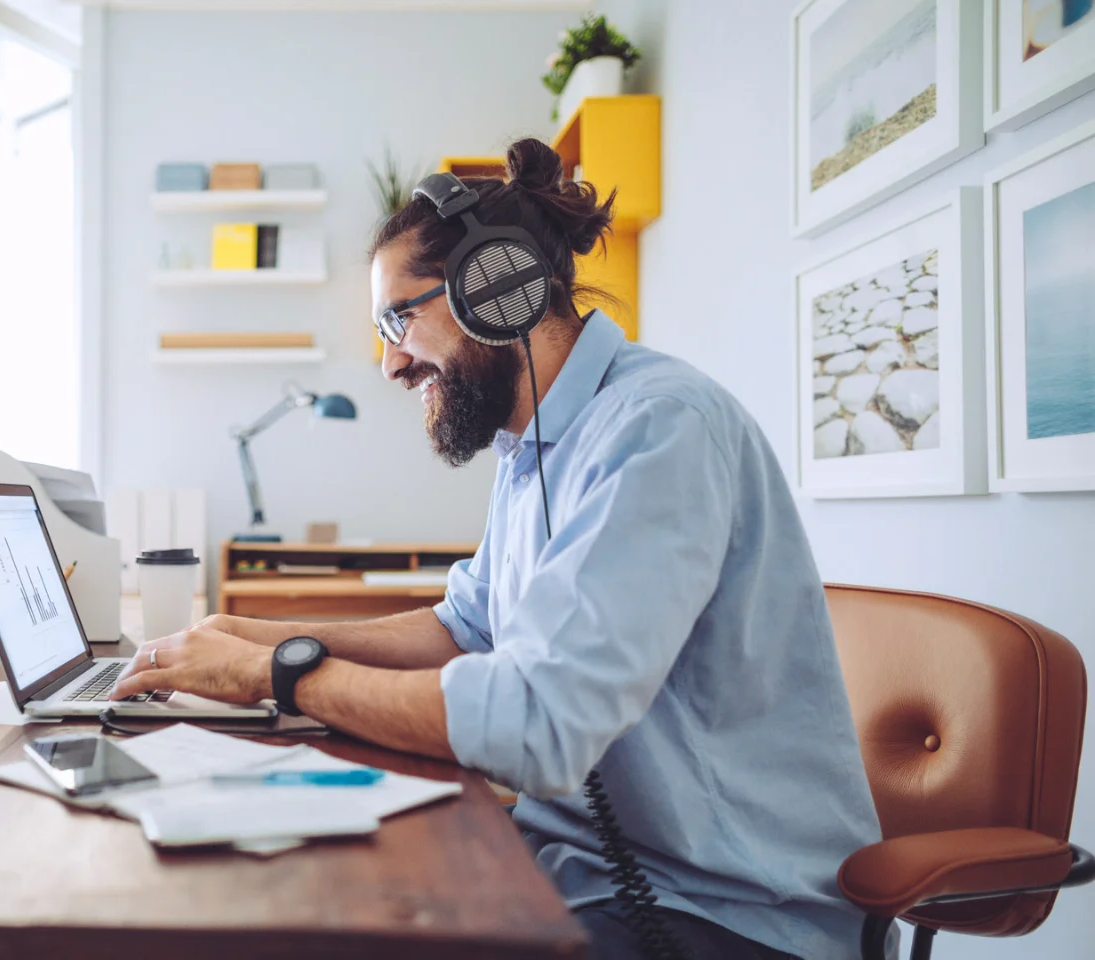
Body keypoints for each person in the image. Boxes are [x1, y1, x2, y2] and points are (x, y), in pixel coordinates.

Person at [111, 138, 883, 960]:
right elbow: (465, 629)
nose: (389, 362)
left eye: (396, 319)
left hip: (721, 911)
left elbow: (536, 725)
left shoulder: (660, 429)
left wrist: (281, 674)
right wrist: (251, 636)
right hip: (579, 869)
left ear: (497, 288)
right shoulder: (532, 447)